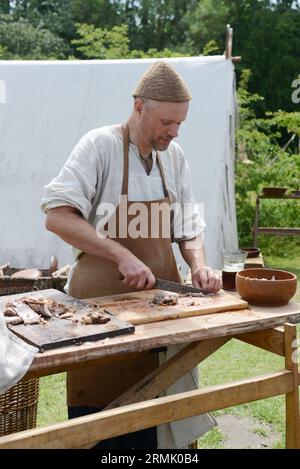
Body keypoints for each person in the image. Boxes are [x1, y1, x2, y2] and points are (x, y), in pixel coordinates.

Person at [41, 61, 221, 448]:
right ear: (139, 107)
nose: (173, 132)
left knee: (161, 421)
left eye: (179, 124)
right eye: (165, 122)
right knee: (106, 429)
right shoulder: (99, 145)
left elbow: (189, 227)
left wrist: (199, 265)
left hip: (160, 315)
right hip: (99, 317)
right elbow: (57, 217)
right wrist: (119, 253)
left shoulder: (174, 157)